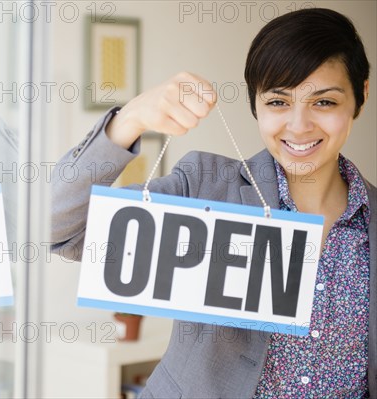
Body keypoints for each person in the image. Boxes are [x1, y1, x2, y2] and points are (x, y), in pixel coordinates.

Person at [51, 8, 375, 398]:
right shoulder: (206, 188)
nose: (299, 125)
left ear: (361, 95)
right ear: (256, 104)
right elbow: (58, 228)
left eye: (324, 103)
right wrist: (130, 120)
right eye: (278, 102)